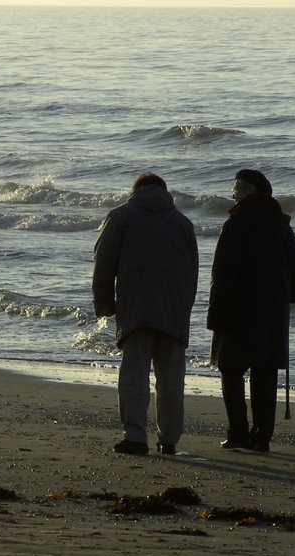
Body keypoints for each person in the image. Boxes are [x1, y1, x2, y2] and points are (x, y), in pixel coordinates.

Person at [93, 172, 199, 456]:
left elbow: (103, 262)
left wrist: (103, 301)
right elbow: (193, 272)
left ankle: (136, 436)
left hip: (137, 305)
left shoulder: (121, 217)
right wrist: (185, 308)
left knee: (135, 373)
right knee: (172, 379)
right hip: (174, 310)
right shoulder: (183, 223)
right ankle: (170, 440)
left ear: (135, 191)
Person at [207, 169, 295, 452]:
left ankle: (238, 432)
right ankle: (261, 437)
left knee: (231, 369)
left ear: (251, 190)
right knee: (265, 371)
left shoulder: (236, 223)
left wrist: (215, 314)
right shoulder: (281, 225)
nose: (233, 192)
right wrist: (290, 297)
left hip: (237, 308)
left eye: (236, 187)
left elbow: (222, 274)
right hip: (272, 311)